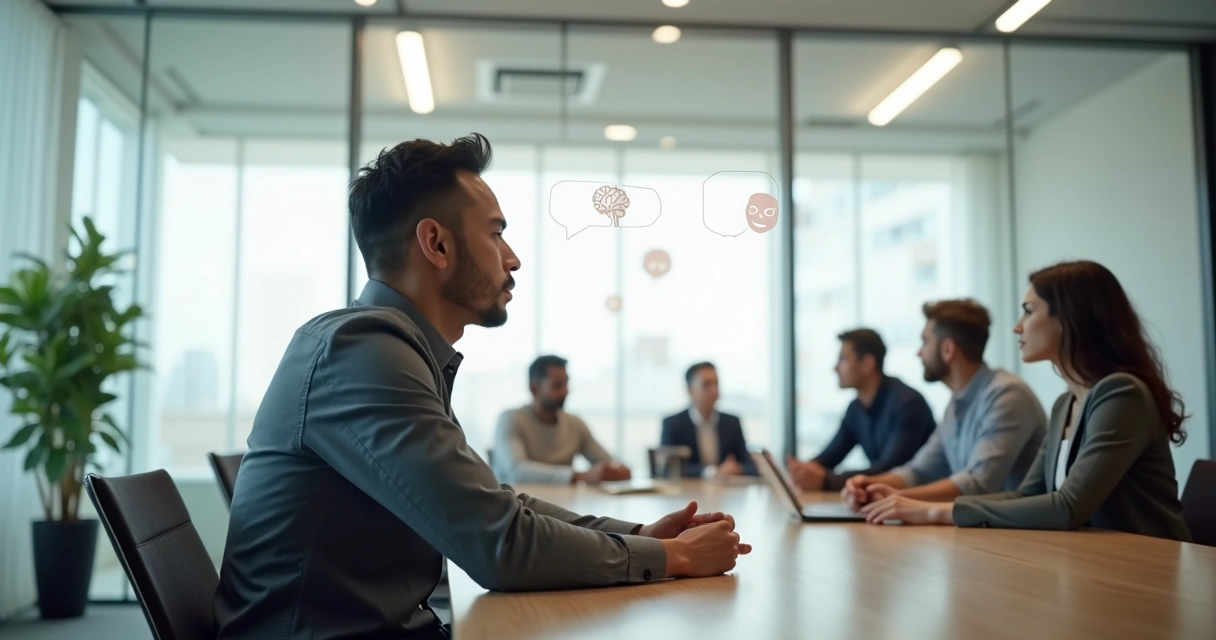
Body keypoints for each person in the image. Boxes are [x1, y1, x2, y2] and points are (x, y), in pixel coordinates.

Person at [213, 134, 751, 640]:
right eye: (495, 233)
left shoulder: (393, 350)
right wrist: (676, 558)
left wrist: (642, 535)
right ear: (436, 244)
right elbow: (500, 546)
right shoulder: (363, 351)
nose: (512, 258)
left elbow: (495, 505)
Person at [858, 262, 1192, 542]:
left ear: (1070, 318)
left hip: (1151, 568)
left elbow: (1068, 507)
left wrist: (934, 511)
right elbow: (1028, 495)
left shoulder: (1121, 394)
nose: (1017, 327)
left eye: (1029, 311)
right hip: (1097, 563)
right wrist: (910, 502)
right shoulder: (1065, 405)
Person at [841, 299, 1047, 511]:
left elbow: (978, 484)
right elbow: (918, 471)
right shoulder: (955, 405)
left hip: (1021, 528)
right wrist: (869, 485)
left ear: (948, 349)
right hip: (983, 526)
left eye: (925, 342)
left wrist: (897, 497)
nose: (919, 352)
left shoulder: (1007, 394)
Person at [787, 329, 936, 491]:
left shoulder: (908, 404)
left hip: (919, 498)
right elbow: (829, 457)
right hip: (888, 498)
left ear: (867, 364)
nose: (835, 367)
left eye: (843, 359)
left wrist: (826, 480)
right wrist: (804, 470)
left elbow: (889, 471)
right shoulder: (856, 408)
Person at [493, 355, 631, 484]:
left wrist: (618, 470)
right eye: (557, 385)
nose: (566, 391)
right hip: (519, 501)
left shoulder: (575, 424)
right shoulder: (511, 420)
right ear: (534, 389)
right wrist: (580, 476)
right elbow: (516, 471)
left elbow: (608, 461)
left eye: (566, 383)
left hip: (564, 500)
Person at [660, 362, 758, 478]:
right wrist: (712, 472)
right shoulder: (673, 424)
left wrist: (738, 468)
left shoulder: (732, 423)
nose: (714, 390)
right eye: (706, 384)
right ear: (690, 390)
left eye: (716, 383)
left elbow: (749, 464)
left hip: (727, 488)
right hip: (689, 488)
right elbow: (669, 467)